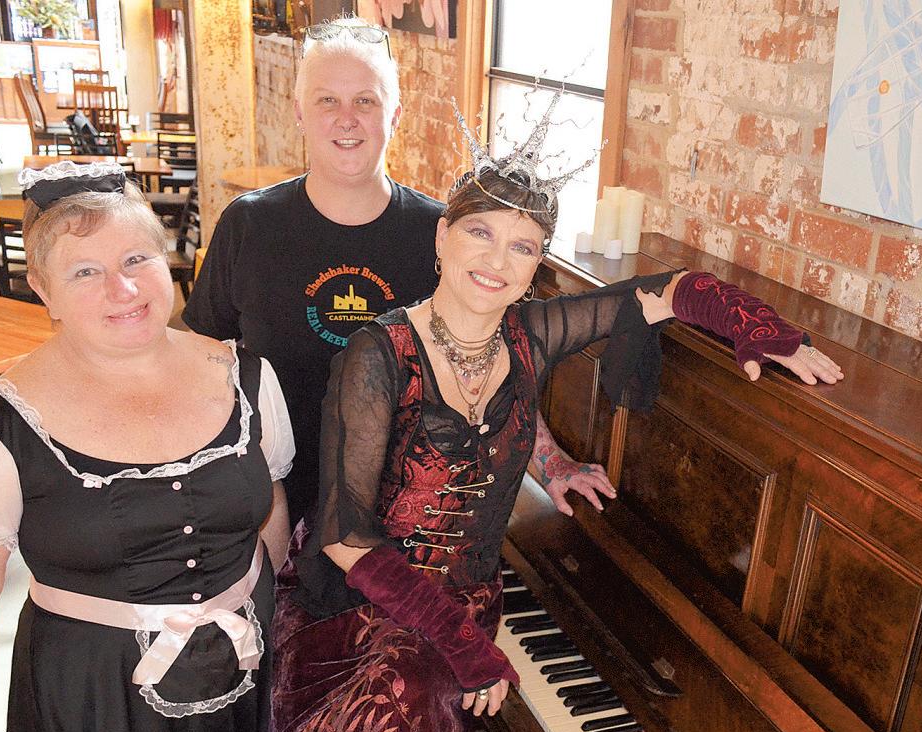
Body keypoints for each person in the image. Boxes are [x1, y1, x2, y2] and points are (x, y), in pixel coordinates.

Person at [208, 95, 844, 732]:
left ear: (538, 264)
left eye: (523, 246)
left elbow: (674, 290)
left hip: (463, 600)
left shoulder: (532, 335)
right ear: (441, 237)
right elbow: (345, 538)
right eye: (480, 232)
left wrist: (762, 331)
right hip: (355, 595)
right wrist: (465, 647)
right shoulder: (378, 355)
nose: (496, 261)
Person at [0, 162, 296, 732]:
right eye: (85, 272)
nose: (121, 289)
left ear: (168, 259)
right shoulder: (1, 427)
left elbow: (269, 517)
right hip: (110, 708)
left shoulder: (247, 378)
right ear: (44, 291)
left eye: (135, 259)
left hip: (250, 671)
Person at [182, 18, 615, 531]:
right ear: (300, 112)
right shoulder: (249, 224)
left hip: (405, 515)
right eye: (327, 100)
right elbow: (200, 357)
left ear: (395, 115)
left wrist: (552, 462)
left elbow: (491, 367)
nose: (347, 119)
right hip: (272, 504)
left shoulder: (441, 235)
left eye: (365, 101)